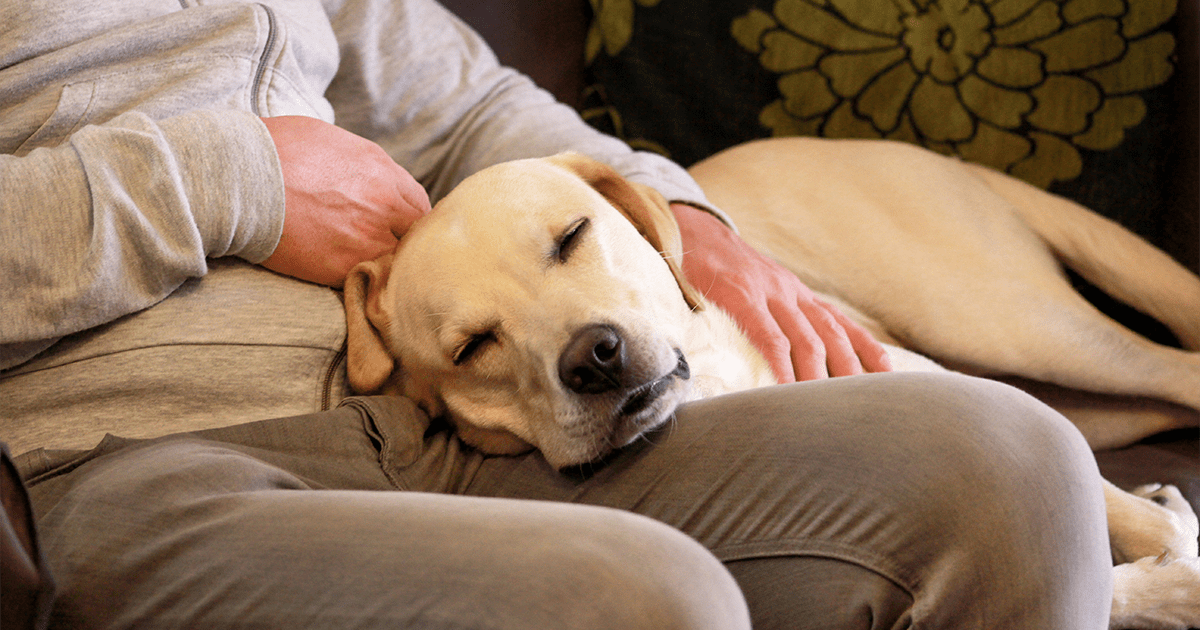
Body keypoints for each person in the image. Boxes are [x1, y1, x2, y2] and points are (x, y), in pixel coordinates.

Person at [0, 0, 1113, 628]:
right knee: (638, 603)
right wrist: (231, 183)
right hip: (129, 473)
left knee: (1011, 462)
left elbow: (476, 111)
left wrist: (690, 221)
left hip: (459, 423)